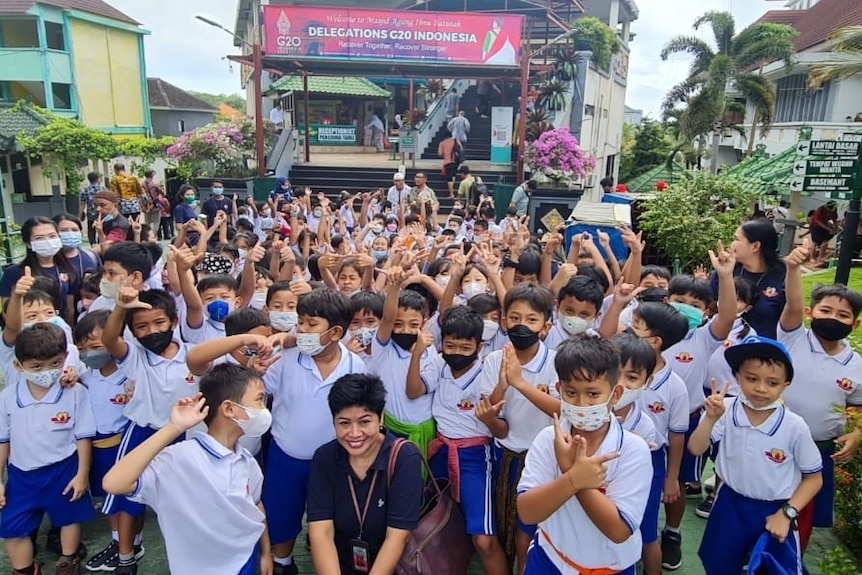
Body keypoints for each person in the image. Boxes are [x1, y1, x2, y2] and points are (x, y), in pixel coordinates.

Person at [103, 365, 273, 575]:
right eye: (259, 400)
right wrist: (173, 427)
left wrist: (265, 552)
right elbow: (113, 483)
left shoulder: (247, 461)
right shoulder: (177, 460)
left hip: (246, 562)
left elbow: (255, 506)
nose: (264, 409)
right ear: (229, 408)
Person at [517, 336, 652, 575]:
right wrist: (573, 479)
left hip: (610, 569)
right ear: (558, 390)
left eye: (593, 394)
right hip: (550, 559)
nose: (581, 404)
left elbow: (619, 530)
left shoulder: (632, 449)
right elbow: (527, 513)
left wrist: (572, 474)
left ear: (616, 393)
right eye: (571, 392)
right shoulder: (549, 439)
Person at [689, 336, 823, 575]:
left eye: (772, 383)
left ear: (786, 384)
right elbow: (696, 449)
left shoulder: (794, 426)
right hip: (728, 504)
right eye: (751, 379)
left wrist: (787, 513)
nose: (761, 388)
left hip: (774, 510)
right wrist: (710, 419)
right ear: (737, 376)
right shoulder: (724, 410)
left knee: (769, 568)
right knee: (720, 565)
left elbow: (814, 478)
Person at [262, 289, 364, 574]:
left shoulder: (355, 365)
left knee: (329, 516)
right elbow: (262, 390)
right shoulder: (285, 357)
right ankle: (283, 561)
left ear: (335, 333)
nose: (302, 329)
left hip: (333, 461)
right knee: (282, 513)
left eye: (311, 324)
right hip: (286, 456)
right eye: (301, 322)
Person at [777, 241, 862, 552]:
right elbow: (793, 306)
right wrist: (793, 268)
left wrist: (856, 434)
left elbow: (857, 408)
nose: (834, 318)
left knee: (805, 514)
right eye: (826, 311)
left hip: (821, 450)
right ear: (812, 313)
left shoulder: (856, 366)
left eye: (843, 315)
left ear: (856, 324)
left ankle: (792, 561)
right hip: (777, 440)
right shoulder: (794, 337)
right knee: (767, 501)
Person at [0, 323, 97, 575]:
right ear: (18, 366)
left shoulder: (75, 392)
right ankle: (23, 569)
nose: (47, 372)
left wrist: (82, 474)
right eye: (36, 367)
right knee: (12, 526)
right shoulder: (8, 397)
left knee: (69, 517)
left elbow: (83, 436)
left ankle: (67, 560)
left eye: (55, 364)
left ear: (65, 358)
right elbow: (3, 440)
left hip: (64, 469)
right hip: (21, 474)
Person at [478, 284, 560, 572]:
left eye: (531, 320)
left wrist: (520, 383)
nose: (521, 326)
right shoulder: (493, 360)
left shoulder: (555, 363)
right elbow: (496, 424)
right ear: (504, 322)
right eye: (514, 318)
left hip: (543, 461)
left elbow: (562, 412)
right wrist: (503, 382)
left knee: (530, 536)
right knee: (505, 529)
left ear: (546, 327)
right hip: (506, 456)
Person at [306, 373, 423, 575]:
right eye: (344, 423)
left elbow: (397, 536)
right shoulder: (324, 457)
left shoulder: (405, 456)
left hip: (396, 568)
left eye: (364, 422)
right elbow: (321, 533)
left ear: (381, 418)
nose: (354, 434)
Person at [712, 218, 785, 339]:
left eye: (736, 239)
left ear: (755, 246)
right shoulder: (727, 270)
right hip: (723, 347)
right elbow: (709, 306)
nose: (732, 244)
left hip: (763, 350)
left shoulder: (782, 277)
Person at [0, 216, 78, 325]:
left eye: (52, 236)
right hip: (28, 332)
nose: (48, 241)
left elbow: (69, 308)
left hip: (57, 331)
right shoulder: (14, 272)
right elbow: (6, 313)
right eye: (39, 238)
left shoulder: (68, 268)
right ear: (28, 244)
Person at [80, 171, 105, 245]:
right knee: (102, 228)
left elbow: (82, 204)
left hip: (91, 213)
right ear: (98, 179)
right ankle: (100, 243)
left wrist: (79, 215)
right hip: (102, 213)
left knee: (91, 230)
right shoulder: (103, 189)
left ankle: (92, 244)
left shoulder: (85, 190)